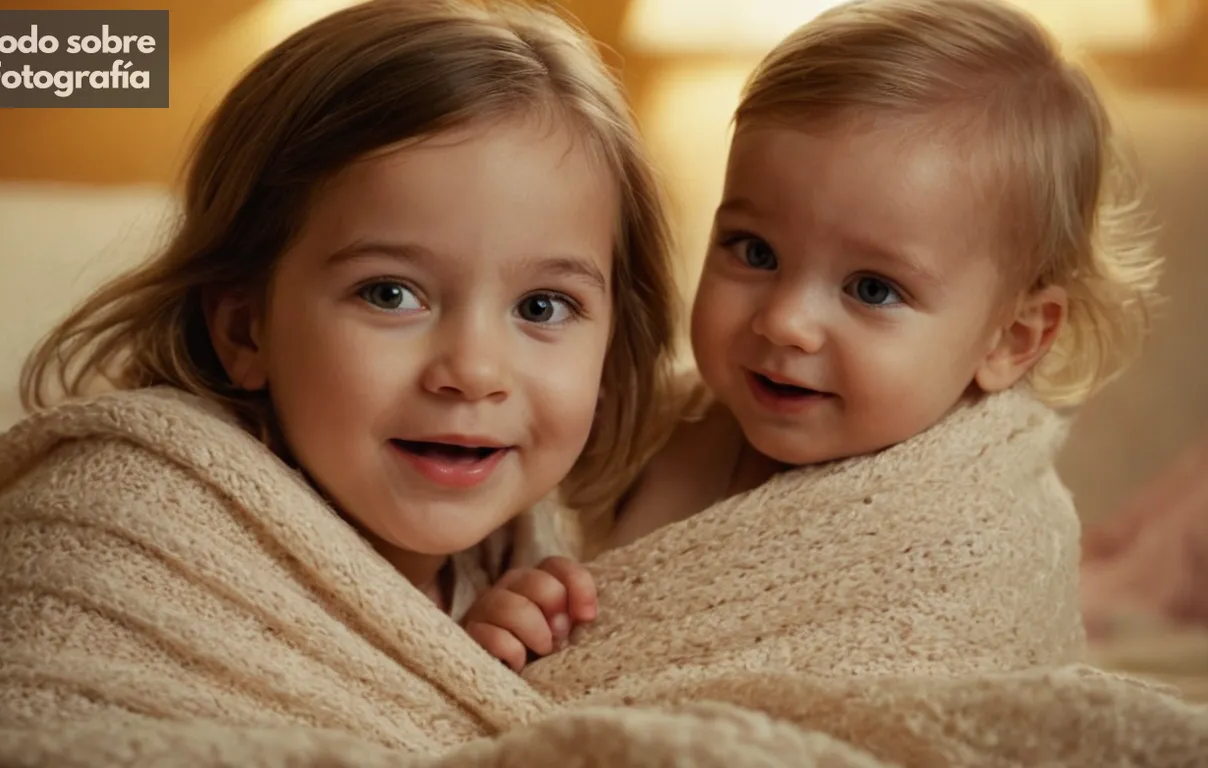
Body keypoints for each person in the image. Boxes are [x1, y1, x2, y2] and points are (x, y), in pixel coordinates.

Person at [0, 0, 678, 746]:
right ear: (245, 328)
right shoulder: (134, 528)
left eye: (542, 307)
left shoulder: (534, 556)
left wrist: (460, 672)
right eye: (390, 294)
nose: (472, 371)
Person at [463, 0, 1161, 671]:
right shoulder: (646, 434)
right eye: (754, 251)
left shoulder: (977, 536)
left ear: (1011, 339)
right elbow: (546, 596)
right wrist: (515, 621)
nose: (784, 321)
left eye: (872, 289)